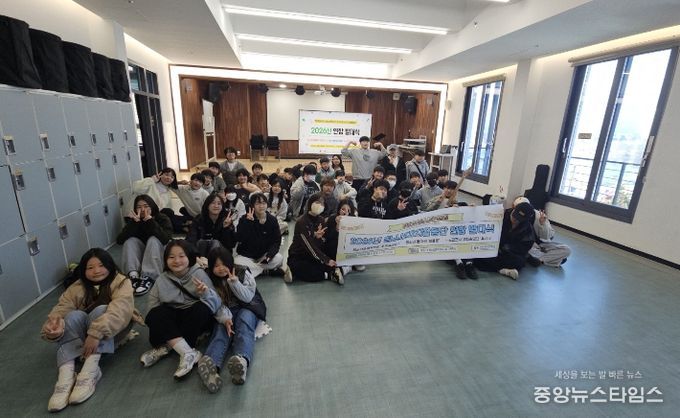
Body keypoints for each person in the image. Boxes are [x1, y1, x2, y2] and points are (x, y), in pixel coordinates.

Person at [41, 248, 141, 412]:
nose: (96, 271)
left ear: (110, 265)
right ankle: (65, 378)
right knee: (71, 316)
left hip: (113, 331)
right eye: (90, 267)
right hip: (87, 335)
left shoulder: (122, 282)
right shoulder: (76, 287)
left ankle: (89, 372)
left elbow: (119, 312)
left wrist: (95, 334)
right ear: (83, 270)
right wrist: (53, 327)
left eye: (101, 265)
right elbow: (61, 309)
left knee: (102, 310)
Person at [141, 240, 230, 379]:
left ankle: (168, 346)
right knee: (155, 313)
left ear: (189, 257)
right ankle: (187, 352)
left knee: (202, 308)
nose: (177, 261)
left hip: (192, 319)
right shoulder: (161, 280)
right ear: (166, 260)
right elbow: (151, 309)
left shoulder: (199, 274)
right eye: (171, 257)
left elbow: (216, 302)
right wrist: (159, 321)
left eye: (181, 256)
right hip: (173, 318)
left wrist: (205, 293)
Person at [197, 248, 267, 392]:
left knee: (244, 325)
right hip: (224, 311)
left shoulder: (242, 271)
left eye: (224, 264)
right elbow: (216, 304)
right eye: (216, 265)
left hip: (247, 307)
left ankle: (241, 360)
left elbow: (248, 297)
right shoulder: (209, 278)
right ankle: (211, 365)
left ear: (230, 262)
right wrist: (225, 319)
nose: (221, 268)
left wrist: (235, 283)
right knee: (220, 331)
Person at [116, 194, 173, 296]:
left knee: (153, 239)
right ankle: (133, 275)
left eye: (146, 206)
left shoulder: (162, 218)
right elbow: (119, 240)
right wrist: (133, 223)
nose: (142, 209)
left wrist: (150, 221)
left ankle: (148, 277)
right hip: (143, 254)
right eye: (139, 207)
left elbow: (165, 239)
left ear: (152, 206)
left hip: (159, 253)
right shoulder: (134, 220)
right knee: (130, 241)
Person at [285, 193, 344, 285]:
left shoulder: (321, 220)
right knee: (313, 272)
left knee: (329, 265)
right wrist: (326, 260)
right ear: (310, 203)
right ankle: (329, 275)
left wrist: (336, 228)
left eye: (322, 203)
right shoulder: (301, 222)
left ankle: (330, 273)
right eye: (317, 202)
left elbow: (325, 240)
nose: (320, 205)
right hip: (299, 255)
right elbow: (309, 245)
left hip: (313, 255)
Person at [474, 202, 536, 280]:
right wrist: (474, 210)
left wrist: (508, 248)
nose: (514, 219)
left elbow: (524, 247)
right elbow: (481, 221)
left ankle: (498, 268)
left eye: (519, 219)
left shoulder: (527, 229)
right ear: (514, 209)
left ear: (525, 220)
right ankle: (502, 270)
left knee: (519, 261)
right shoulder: (500, 214)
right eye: (514, 215)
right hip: (491, 247)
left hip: (508, 252)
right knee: (479, 255)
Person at [234, 193, 286, 278]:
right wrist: (248, 223)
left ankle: (252, 271)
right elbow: (240, 238)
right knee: (237, 262)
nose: (261, 206)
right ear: (252, 206)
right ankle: (265, 271)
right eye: (258, 203)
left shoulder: (272, 220)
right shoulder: (244, 219)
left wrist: (268, 256)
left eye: (263, 203)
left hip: (264, 255)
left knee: (279, 258)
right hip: (247, 256)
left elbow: (276, 242)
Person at [513, 197, 572, 267]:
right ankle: (553, 260)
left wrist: (542, 224)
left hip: (542, 243)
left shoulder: (539, 215)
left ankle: (538, 259)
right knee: (524, 248)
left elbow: (548, 236)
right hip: (530, 246)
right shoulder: (515, 216)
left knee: (567, 249)